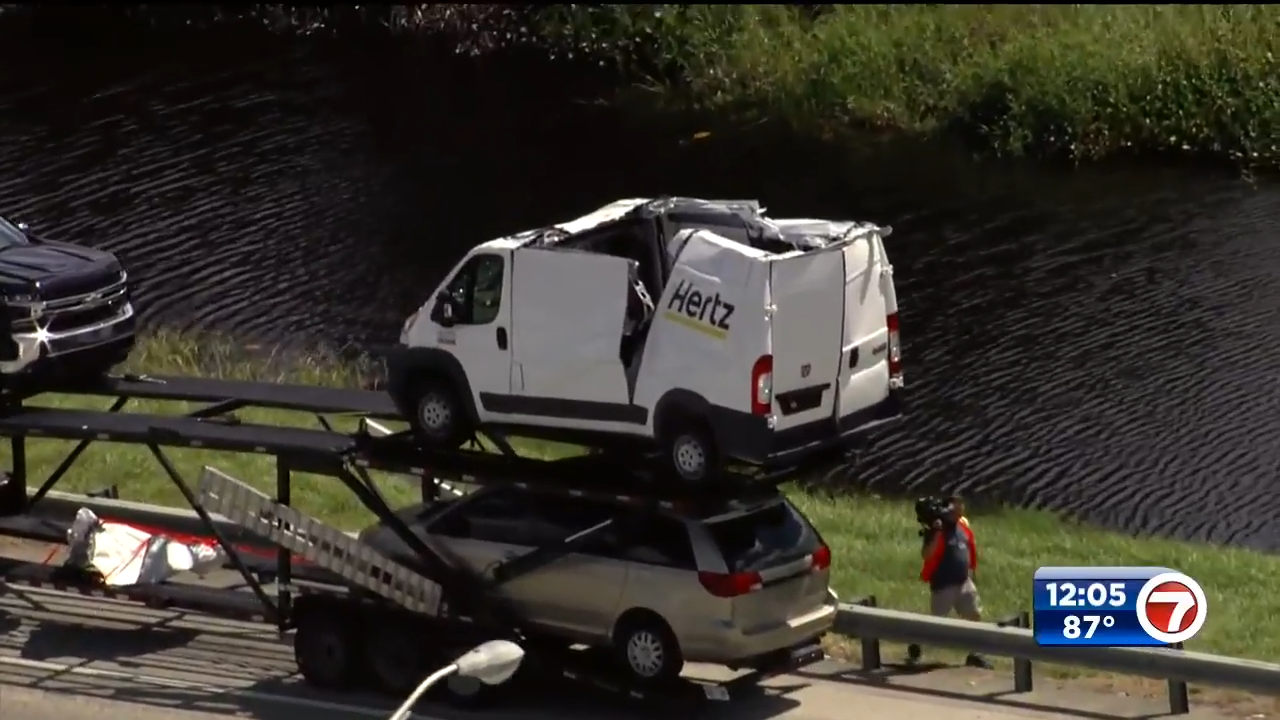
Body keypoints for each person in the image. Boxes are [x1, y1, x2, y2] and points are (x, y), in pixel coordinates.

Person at [909, 495, 991, 668]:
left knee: (974, 617)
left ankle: (974, 654)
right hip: (944, 586)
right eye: (956, 507)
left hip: (964, 582)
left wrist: (972, 576)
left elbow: (968, 551)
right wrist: (937, 533)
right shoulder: (937, 530)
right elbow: (926, 554)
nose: (959, 510)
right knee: (936, 625)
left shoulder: (962, 528)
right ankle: (916, 648)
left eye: (960, 507)